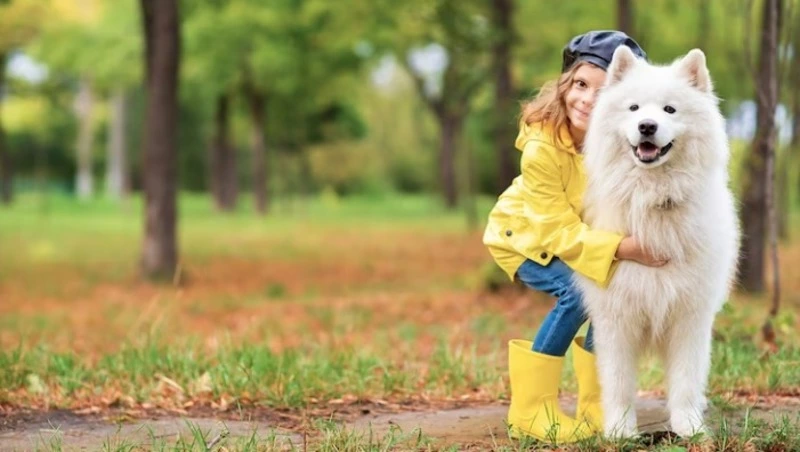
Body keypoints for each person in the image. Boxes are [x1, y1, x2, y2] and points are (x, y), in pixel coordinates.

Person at [483, 30, 664, 443]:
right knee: (578, 294)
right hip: (523, 238)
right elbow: (556, 231)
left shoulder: (616, 141)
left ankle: (598, 406)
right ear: (565, 84)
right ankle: (530, 409)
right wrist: (624, 248)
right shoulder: (542, 149)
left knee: (609, 292)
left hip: (578, 235)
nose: (586, 99)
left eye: (603, 92)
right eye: (580, 85)